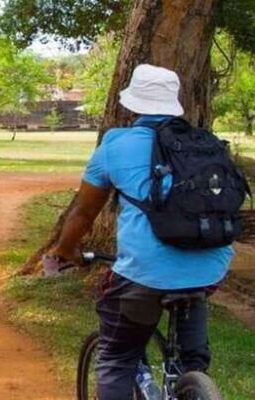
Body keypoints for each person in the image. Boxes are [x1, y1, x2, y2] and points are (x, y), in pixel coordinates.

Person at [45, 64, 232, 400]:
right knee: (191, 313)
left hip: (145, 272)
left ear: (133, 104)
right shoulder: (204, 143)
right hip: (211, 266)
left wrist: (66, 250)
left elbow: (84, 211)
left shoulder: (116, 144)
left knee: (117, 358)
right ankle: (194, 379)